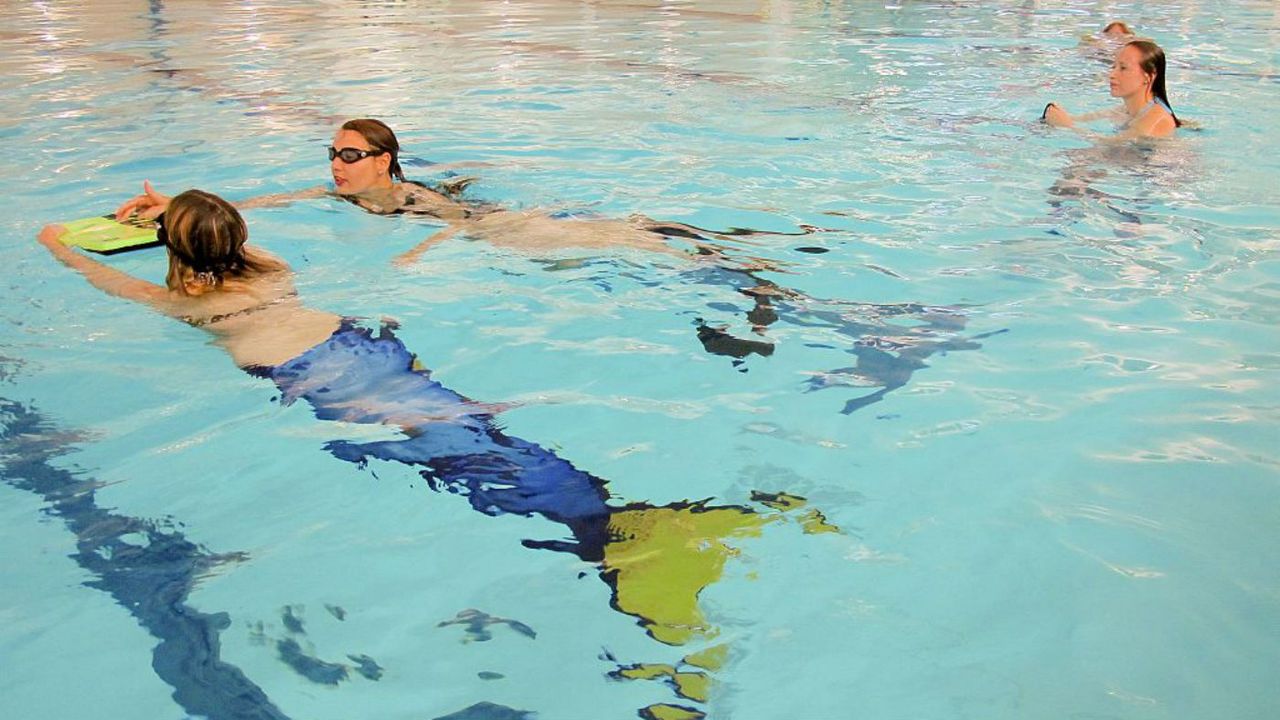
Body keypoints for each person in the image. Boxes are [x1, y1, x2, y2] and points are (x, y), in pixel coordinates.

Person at [36, 190, 835, 717]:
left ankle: (613, 535)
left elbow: (88, 268)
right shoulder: (272, 269)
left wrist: (59, 238)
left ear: (173, 251)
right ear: (238, 237)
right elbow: (230, 233)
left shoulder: (185, 306)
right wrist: (170, 216)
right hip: (365, 346)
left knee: (462, 457)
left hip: (320, 381)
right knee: (470, 429)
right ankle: (616, 523)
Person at [1044, 39, 1181, 139]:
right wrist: (1059, 117)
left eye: (1123, 68)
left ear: (1148, 77)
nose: (1112, 74)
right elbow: (1083, 118)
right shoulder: (1126, 109)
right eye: (1113, 67)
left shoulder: (1154, 117)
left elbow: (1113, 146)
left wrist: (1069, 126)